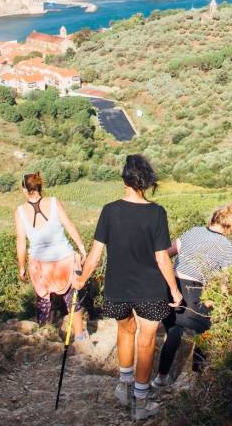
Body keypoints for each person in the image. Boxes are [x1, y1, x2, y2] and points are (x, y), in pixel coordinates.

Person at [73, 155, 180, 420]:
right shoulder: (157, 212)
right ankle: (140, 403)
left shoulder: (110, 210)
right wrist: (175, 291)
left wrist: (82, 279)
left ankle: (124, 386)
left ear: (124, 179)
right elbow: (161, 257)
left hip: (117, 286)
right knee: (146, 340)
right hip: (150, 288)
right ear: (147, 181)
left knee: (125, 330)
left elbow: (96, 253)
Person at [152, 204, 232, 389]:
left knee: (174, 332)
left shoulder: (193, 231)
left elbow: (167, 253)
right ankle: (197, 379)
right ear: (230, 226)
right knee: (206, 331)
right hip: (195, 290)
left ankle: (161, 377)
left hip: (171, 286)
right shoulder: (226, 246)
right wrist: (224, 303)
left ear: (214, 218)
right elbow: (223, 283)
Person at [15, 171, 88, 340]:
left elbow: (21, 242)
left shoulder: (19, 212)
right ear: (40, 186)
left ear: (24, 190)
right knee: (72, 299)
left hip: (40, 265)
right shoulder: (54, 202)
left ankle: (44, 336)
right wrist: (82, 247)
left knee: (43, 300)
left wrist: (21, 267)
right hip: (65, 261)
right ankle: (80, 336)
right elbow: (69, 225)